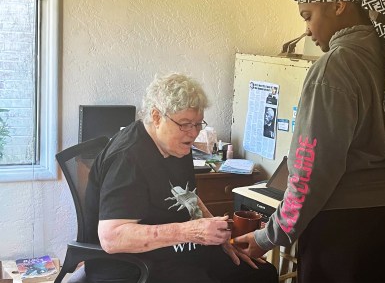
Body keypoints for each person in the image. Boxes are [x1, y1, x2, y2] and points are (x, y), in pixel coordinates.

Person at [234, 0, 385, 283]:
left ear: (339, 5)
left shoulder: (335, 67)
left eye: (308, 16)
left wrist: (270, 236)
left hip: (355, 234)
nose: (307, 30)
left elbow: (310, 174)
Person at [84, 73, 278, 283]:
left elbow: (189, 196)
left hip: (175, 249)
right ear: (157, 117)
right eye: (185, 124)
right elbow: (112, 238)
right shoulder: (127, 159)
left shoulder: (176, 146)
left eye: (197, 124)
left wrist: (220, 235)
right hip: (132, 265)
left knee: (261, 273)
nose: (193, 133)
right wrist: (190, 231)